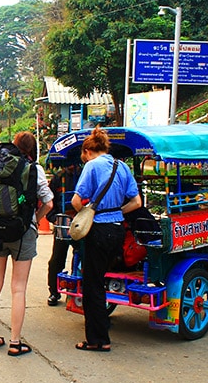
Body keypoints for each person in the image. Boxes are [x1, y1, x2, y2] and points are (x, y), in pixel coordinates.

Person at [71, 126, 141, 353]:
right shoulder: (122, 166)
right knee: (100, 281)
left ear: (88, 151)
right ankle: (101, 333)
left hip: (98, 230)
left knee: (93, 285)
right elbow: (136, 202)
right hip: (118, 230)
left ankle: (97, 340)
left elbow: (76, 200)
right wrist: (117, 211)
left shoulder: (91, 166)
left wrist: (88, 212)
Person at [0, 131, 53, 356]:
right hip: (22, 233)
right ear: (32, 150)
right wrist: (34, 221)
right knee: (18, 288)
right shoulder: (34, 169)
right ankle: (15, 342)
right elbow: (49, 203)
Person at [46, 164, 80, 306]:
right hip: (63, 222)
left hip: (81, 222)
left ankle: (76, 288)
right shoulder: (58, 178)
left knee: (80, 258)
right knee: (56, 259)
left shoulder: (84, 174)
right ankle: (54, 291)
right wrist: (54, 218)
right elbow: (49, 202)